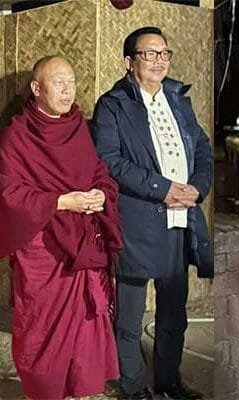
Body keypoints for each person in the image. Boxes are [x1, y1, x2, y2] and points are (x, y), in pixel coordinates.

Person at [91, 26, 213, 400]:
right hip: (138, 224)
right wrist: (163, 188)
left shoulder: (178, 99)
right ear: (130, 62)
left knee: (173, 314)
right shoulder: (113, 105)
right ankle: (133, 388)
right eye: (149, 54)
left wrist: (197, 188)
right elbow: (109, 160)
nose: (159, 61)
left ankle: (168, 381)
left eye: (164, 53)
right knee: (130, 318)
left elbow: (203, 148)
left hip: (180, 220)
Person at [0, 55, 122, 399]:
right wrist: (62, 202)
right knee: (40, 327)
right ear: (37, 88)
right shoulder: (17, 136)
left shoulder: (77, 127)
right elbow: (9, 193)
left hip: (80, 244)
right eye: (58, 83)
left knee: (83, 327)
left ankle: (75, 389)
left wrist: (101, 193)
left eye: (71, 82)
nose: (68, 90)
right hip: (44, 249)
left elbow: (97, 170)